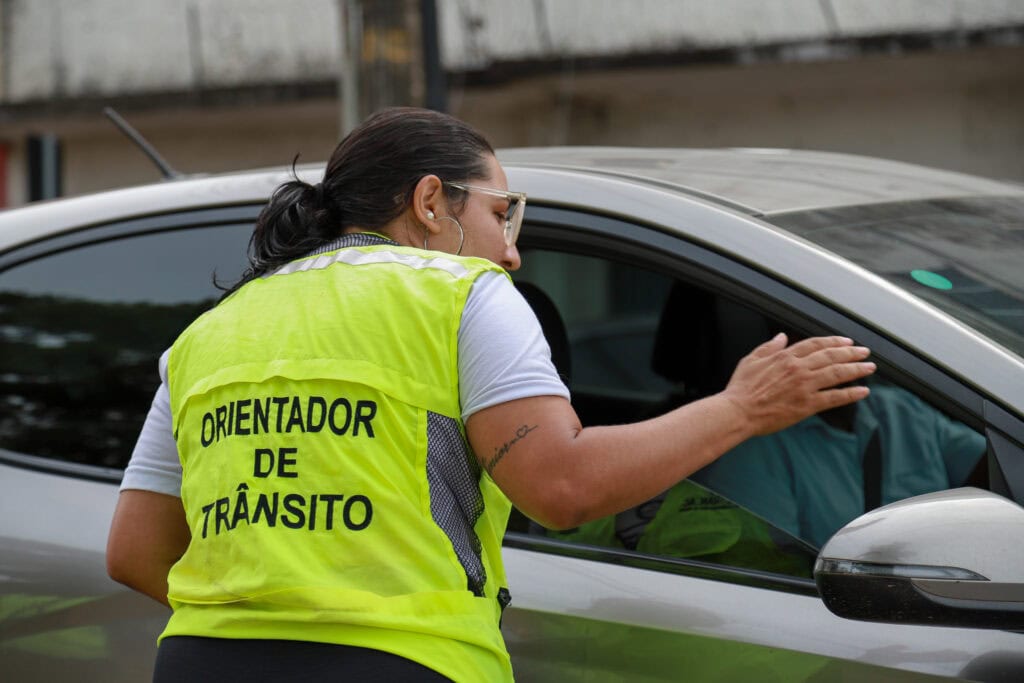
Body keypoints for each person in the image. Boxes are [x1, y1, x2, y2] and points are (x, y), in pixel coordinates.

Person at [106, 107, 876, 682]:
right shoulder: (459, 290)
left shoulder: (211, 331)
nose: (510, 250)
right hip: (405, 664)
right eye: (502, 212)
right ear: (432, 201)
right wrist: (742, 407)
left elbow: (136, 552)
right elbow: (564, 486)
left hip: (201, 662)